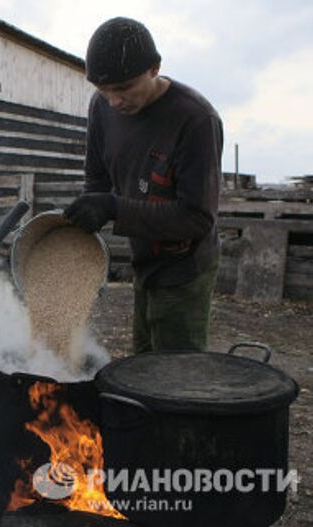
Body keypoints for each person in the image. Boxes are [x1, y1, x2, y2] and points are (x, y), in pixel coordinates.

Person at [65, 17, 223, 354]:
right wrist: (89, 211)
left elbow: (197, 217)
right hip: (144, 260)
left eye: (123, 88)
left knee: (174, 372)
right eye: (103, 90)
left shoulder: (195, 120)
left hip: (185, 266)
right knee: (142, 362)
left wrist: (115, 208)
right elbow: (96, 178)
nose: (114, 101)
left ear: (154, 68)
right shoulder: (102, 108)